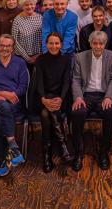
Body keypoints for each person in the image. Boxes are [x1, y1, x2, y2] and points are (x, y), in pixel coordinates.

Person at [70, 31, 112, 171]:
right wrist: (78, 97)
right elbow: (76, 79)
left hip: (104, 95)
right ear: (90, 43)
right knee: (77, 112)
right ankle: (78, 153)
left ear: (105, 44)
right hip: (86, 95)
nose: (98, 46)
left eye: (101, 43)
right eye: (95, 43)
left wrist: (109, 97)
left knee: (111, 113)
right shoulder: (80, 57)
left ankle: (104, 152)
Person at [0, 35, 29, 178]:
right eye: (2, 45)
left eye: (8, 46)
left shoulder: (20, 63)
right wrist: (2, 93)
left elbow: (23, 87)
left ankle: (2, 161)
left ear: (13, 48)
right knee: (2, 107)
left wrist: (10, 95)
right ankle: (13, 145)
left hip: (14, 102)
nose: (5, 48)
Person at [33, 33, 74, 173]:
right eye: (51, 43)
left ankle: (47, 156)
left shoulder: (66, 59)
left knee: (46, 115)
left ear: (61, 45)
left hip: (60, 97)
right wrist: (43, 98)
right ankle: (63, 149)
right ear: (46, 44)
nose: (54, 46)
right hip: (43, 96)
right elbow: (38, 81)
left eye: (57, 43)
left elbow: (66, 82)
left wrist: (61, 98)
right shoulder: (41, 59)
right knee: (46, 112)